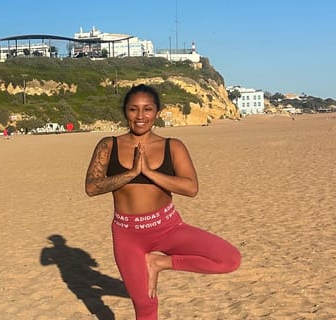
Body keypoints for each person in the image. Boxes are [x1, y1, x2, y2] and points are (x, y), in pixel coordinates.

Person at [84, 84, 240, 320]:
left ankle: (158, 263)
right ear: (125, 111)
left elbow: (191, 188)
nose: (140, 116)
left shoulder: (172, 146)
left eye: (147, 109)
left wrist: (149, 172)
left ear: (157, 112)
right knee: (146, 306)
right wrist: (131, 173)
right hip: (128, 235)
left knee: (229, 259)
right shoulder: (108, 145)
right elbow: (91, 187)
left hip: (168, 228)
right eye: (133, 109)